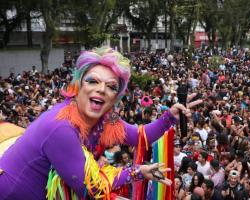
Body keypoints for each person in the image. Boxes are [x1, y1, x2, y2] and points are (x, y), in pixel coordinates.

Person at [0, 47, 202, 199]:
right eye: (93, 81)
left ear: (115, 98)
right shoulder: (61, 127)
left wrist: (170, 117)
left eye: (111, 86)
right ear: (77, 85)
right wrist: (138, 172)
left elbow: (139, 135)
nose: (101, 89)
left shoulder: (106, 118)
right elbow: (91, 188)